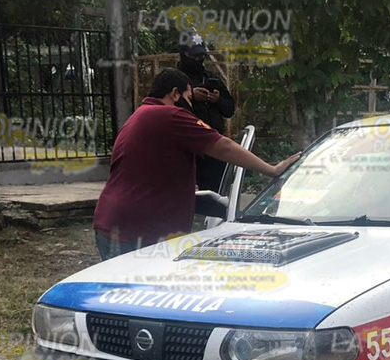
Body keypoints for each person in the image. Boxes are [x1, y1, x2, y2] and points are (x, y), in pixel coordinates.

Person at [92, 68, 299, 260]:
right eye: (189, 98)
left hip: (115, 225)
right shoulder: (170, 115)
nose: (191, 106)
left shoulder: (140, 115)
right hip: (136, 233)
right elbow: (224, 147)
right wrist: (272, 170)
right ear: (175, 94)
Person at [178, 38, 234, 194]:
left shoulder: (211, 78)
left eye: (201, 57)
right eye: (193, 57)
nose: (197, 61)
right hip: (184, 149)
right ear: (183, 54)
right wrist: (191, 96)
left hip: (212, 147)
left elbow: (229, 109)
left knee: (217, 193)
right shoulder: (173, 80)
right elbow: (163, 107)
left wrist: (217, 100)